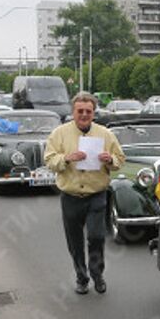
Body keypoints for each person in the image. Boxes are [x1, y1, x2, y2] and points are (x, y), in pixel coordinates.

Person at [44, 92, 126, 295]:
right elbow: (49, 160)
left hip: (96, 194)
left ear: (93, 112)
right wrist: (67, 158)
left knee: (97, 237)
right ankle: (81, 277)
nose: (84, 114)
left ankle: (97, 274)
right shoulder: (59, 133)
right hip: (70, 196)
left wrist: (110, 160)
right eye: (80, 111)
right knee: (75, 242)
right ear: (73, 112)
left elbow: (120, 159)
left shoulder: (105, 134)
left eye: (88, 111)